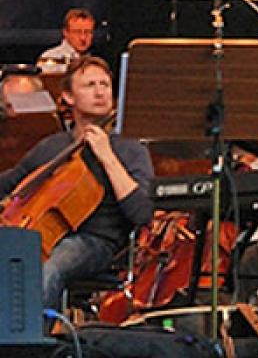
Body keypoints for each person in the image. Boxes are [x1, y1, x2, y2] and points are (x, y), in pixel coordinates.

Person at [0, 56, 154, 311]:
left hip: (98, 242)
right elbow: (13, 182)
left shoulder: (129, 148)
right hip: (44, 235)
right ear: (68, 97)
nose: (100, 91)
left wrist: (106, 155)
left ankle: (29, 343)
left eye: (105, 84)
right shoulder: (53, 146)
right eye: (90, 85)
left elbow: (142, 212)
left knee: (50, 266)